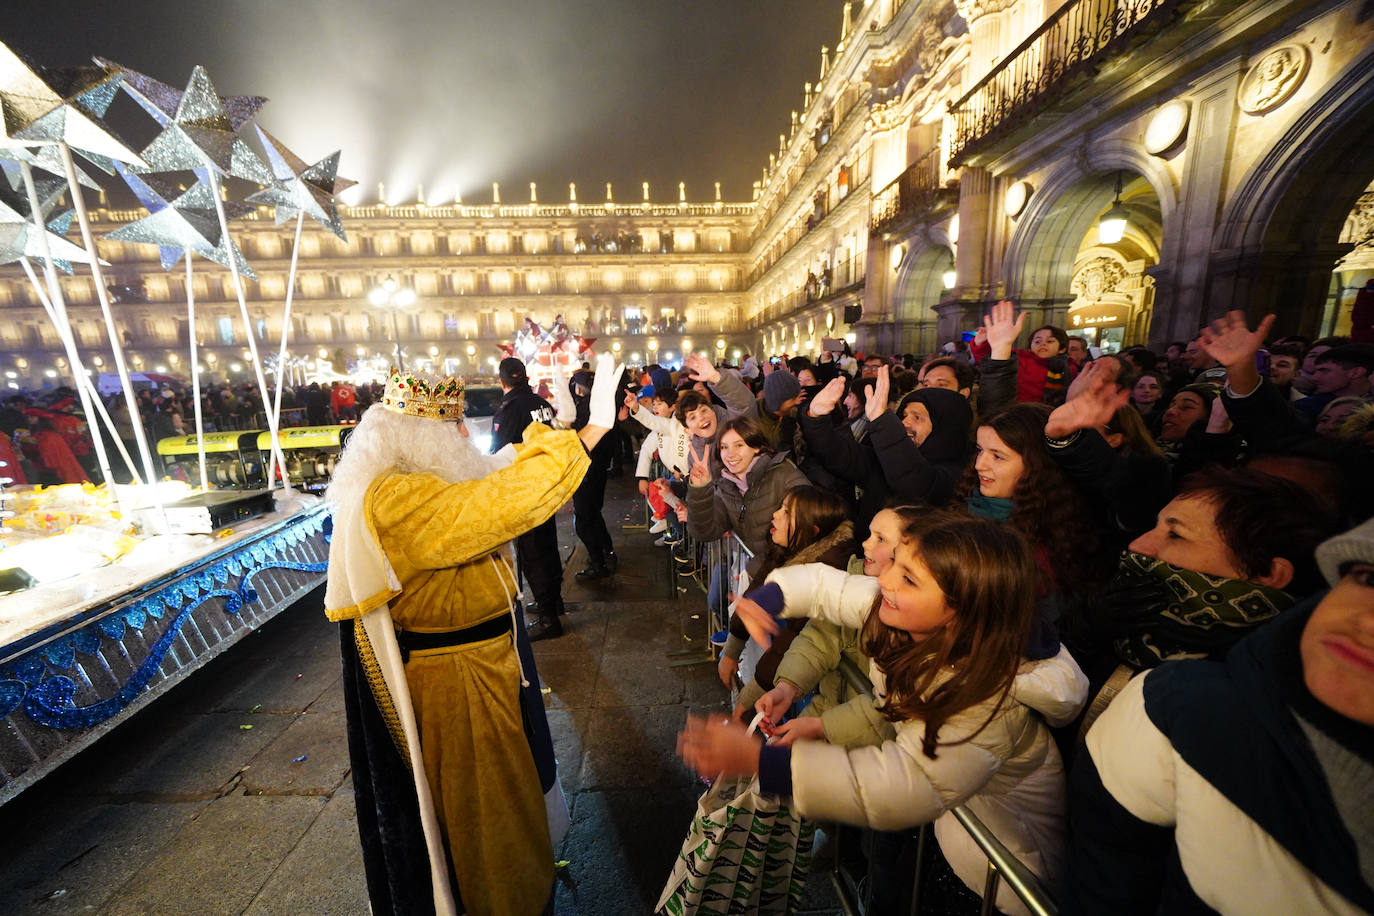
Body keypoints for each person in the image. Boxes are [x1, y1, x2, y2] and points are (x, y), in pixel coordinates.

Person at [678, 512, 1088, 916]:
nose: (886, 582)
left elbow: (895, 786)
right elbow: (828, 588)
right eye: (897, 567)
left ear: (964, 611)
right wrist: (767, 600)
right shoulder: (908, 611)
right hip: (954, 827)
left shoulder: (984, 701)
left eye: (908, 578)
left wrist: (761, 761)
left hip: (1003, 870)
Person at [324, 356, 617, 916]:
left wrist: (557, 428)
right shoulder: (397, 499)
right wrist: (591, 433)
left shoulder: (417, 482)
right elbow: (499, 502)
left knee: (509, 804)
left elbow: (496, 471)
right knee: (493, 821)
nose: (465, 434)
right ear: (418, 436)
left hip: (482, 666)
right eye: (453, 426)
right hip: (457, 686)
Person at [1064, 516, 1374, 915]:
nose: (1137, 546)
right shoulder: (1177, 697)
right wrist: (1080, 633)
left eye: (1176, 534)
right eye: (1368, 579)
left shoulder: (1190, 699)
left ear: (1267, 574)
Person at [716, 484, 854, 716]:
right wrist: (732, 649)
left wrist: (747, 700)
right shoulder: (788, 546)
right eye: (780, 507)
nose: (775, 514)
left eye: (787, 512)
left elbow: (790, 640)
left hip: (809, 682)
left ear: (811, 530)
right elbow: (755, 594)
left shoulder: (829, 569)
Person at [492, 356, 565, 641]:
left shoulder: (508, 409)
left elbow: (501, 452)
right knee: (547, 545)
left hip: (524, 487)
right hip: (546, 482)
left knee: (533, 551)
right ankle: (553, 602)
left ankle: (548, 618)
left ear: (503, 382)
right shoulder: (542, 404)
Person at [970, 302, 1078, 407]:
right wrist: (982, 344)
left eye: (1050, 341)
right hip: (1015, 411)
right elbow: (994, 364)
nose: (1043, 344)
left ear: (1062, 348)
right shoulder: (1020, 358)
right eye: (1037, 341)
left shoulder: (1069, 368)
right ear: (1030, 345)